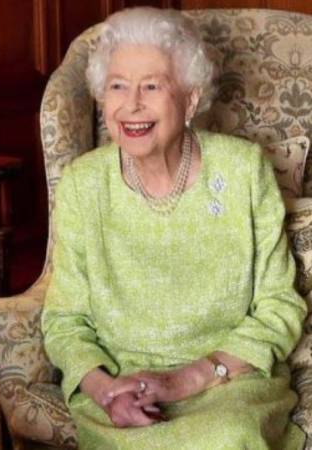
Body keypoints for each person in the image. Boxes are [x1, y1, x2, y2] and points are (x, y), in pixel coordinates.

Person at [41, 7, 307, 450]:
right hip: (123, 386)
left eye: (151, 86)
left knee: (227, 437)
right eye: (117, 86)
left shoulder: (243, 170)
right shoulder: (83, 185)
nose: (132, 105)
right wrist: (105, 391)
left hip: (228, 380)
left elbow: (279, 305)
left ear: (190, 98)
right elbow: (64, 321)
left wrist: (188, 379)